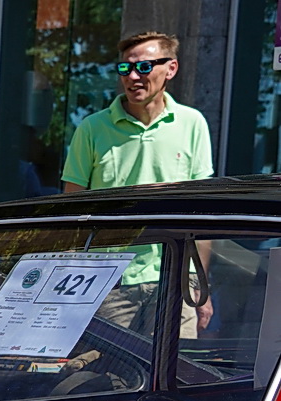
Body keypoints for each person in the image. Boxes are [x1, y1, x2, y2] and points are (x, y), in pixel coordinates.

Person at [60, 31, 214, 334]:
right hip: (109, 282)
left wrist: (200, 285)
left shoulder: (192, 123)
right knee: (115, 378)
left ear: (171, 68)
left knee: (180, 375)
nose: (132, 77)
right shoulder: (92, 128)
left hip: (176, 278)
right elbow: (71, 214)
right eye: (125, 69)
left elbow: (203, 213)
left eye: (143, 67)